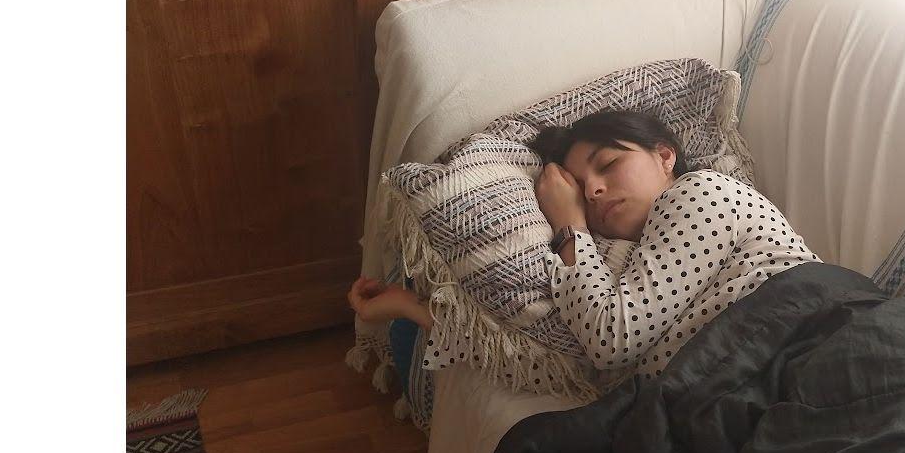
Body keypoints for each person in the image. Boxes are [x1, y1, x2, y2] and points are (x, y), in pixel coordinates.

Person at [346, 109, 819, 380]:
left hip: (808, 346)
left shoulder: (700, 191)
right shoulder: (614, 264)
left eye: (608, 164)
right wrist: (409, 307)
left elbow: (611, 340)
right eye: (578, 186)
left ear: (664, 155)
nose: (592, 190)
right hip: (741, 392)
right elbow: (544, 356)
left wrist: (570, 223)